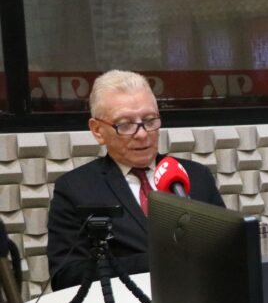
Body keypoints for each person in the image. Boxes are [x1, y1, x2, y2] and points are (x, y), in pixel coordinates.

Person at [47, 70, 225, 290]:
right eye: (125, 125)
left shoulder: (196, 176)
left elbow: (227, 250)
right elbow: (66, 276)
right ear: (98, 130)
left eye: (150, 121)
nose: (142, 134)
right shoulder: (75, 189)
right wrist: (157, 262)